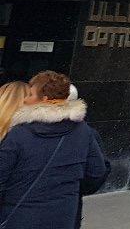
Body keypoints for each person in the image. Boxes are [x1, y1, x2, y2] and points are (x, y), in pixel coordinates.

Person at [0, 71, 109, 229]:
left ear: (44, 99)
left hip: (18, 217)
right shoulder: (83, 131)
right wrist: (69, 191)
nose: (25, 99)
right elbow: (97, 173)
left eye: (30, 94)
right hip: (64, 216)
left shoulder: (19, 134)